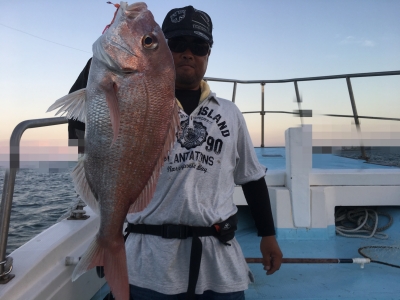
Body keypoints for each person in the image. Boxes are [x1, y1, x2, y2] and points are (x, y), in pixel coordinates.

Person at [68, 5, 282, 300]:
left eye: (199, 45)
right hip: (149, 261)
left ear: (209, 53)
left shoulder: (231, 113)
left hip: (218, 262)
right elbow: (77, 124)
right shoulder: (134, 97)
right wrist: (108, 49)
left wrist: (268, 235)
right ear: (165, 52)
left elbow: (252, 177)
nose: (187, 53)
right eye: (177, 44)